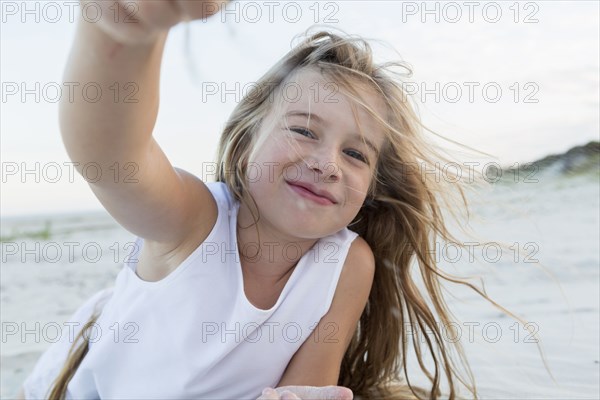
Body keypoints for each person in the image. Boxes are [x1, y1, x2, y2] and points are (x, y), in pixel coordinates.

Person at [18, 1, 493, 399]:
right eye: (304, 130)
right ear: (246, 146)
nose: (328, 163)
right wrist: (122, 25)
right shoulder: (195, 222)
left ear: (370, 188)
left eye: (355, 154)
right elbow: (112, 160)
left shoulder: (347, 263)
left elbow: (306, 386)